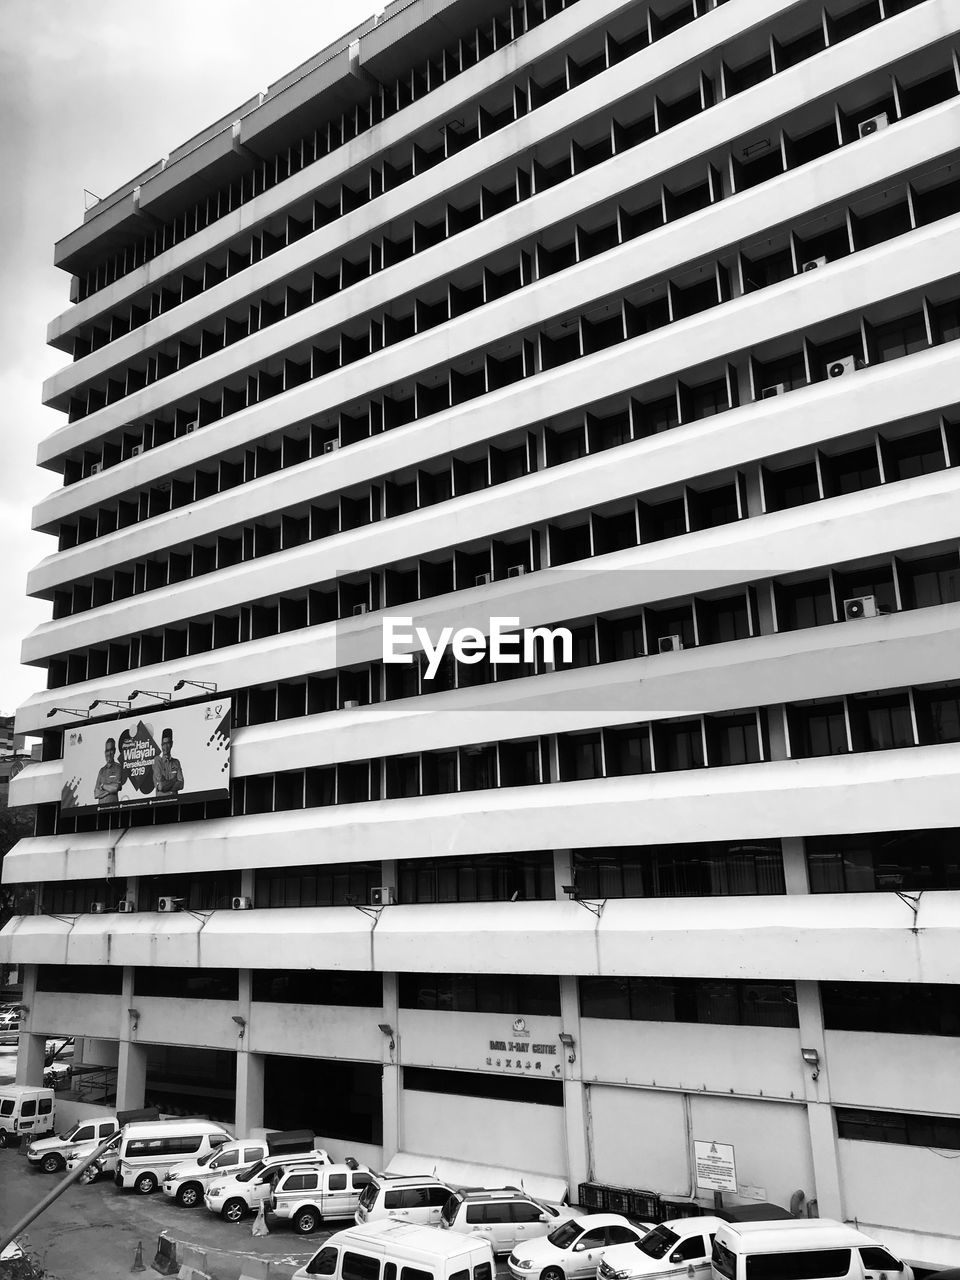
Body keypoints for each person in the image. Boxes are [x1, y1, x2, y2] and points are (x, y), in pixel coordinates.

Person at [152, 728, 184, 797]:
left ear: (171, 744)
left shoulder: (176, 762)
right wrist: (174, 780)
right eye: (163, 744)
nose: (165, 747)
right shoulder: (157, 761)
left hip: (175, 801)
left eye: (167, 743)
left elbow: (181, 785)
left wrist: (166, 785)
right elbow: (161, 787)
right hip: (160, 803)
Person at [93, 738, 122, 807]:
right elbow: (96, 794)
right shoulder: (101, 771)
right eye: (107, 751)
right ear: (105, 752)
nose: (109, 753)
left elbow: (115, 787)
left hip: (114, 808)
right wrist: (110, 789)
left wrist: (102, 786)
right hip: (101, 810)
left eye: (111, 750)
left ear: (114, 751)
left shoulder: (118, 767)